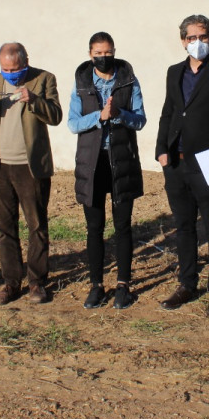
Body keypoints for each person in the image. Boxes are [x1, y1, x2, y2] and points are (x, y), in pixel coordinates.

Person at [154, 14, 209, 318]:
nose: (198, 43)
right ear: (183, 42)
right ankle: (187, 283)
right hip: (176, 162)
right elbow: (168, 111)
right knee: (183, 227)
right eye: (191, 38)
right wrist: (161, 150)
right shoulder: (174, 72)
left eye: (203, 37)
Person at [0, 43, 63, 305]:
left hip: (29, 165)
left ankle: (36, 282)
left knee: (37, 225)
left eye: (16, 69)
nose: (10, 73)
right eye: (6, 69)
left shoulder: (44, 79)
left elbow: (55, 116)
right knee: (5, 227)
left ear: (26, 62)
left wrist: (35, 101)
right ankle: (11, 283)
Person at [68, 32, 147, 310]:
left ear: (114, 50)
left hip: (121, 159)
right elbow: (73, 124)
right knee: (94, 227)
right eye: (97, 53)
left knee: (123, 226)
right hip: (92, 162)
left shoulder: (128, 79)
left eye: (107, 52)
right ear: (90, 53)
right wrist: (99, 117)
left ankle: (123, 285)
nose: (103, 57)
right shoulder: (81, 82)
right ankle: (96, 285)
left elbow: (141, 120)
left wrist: (120, 115)